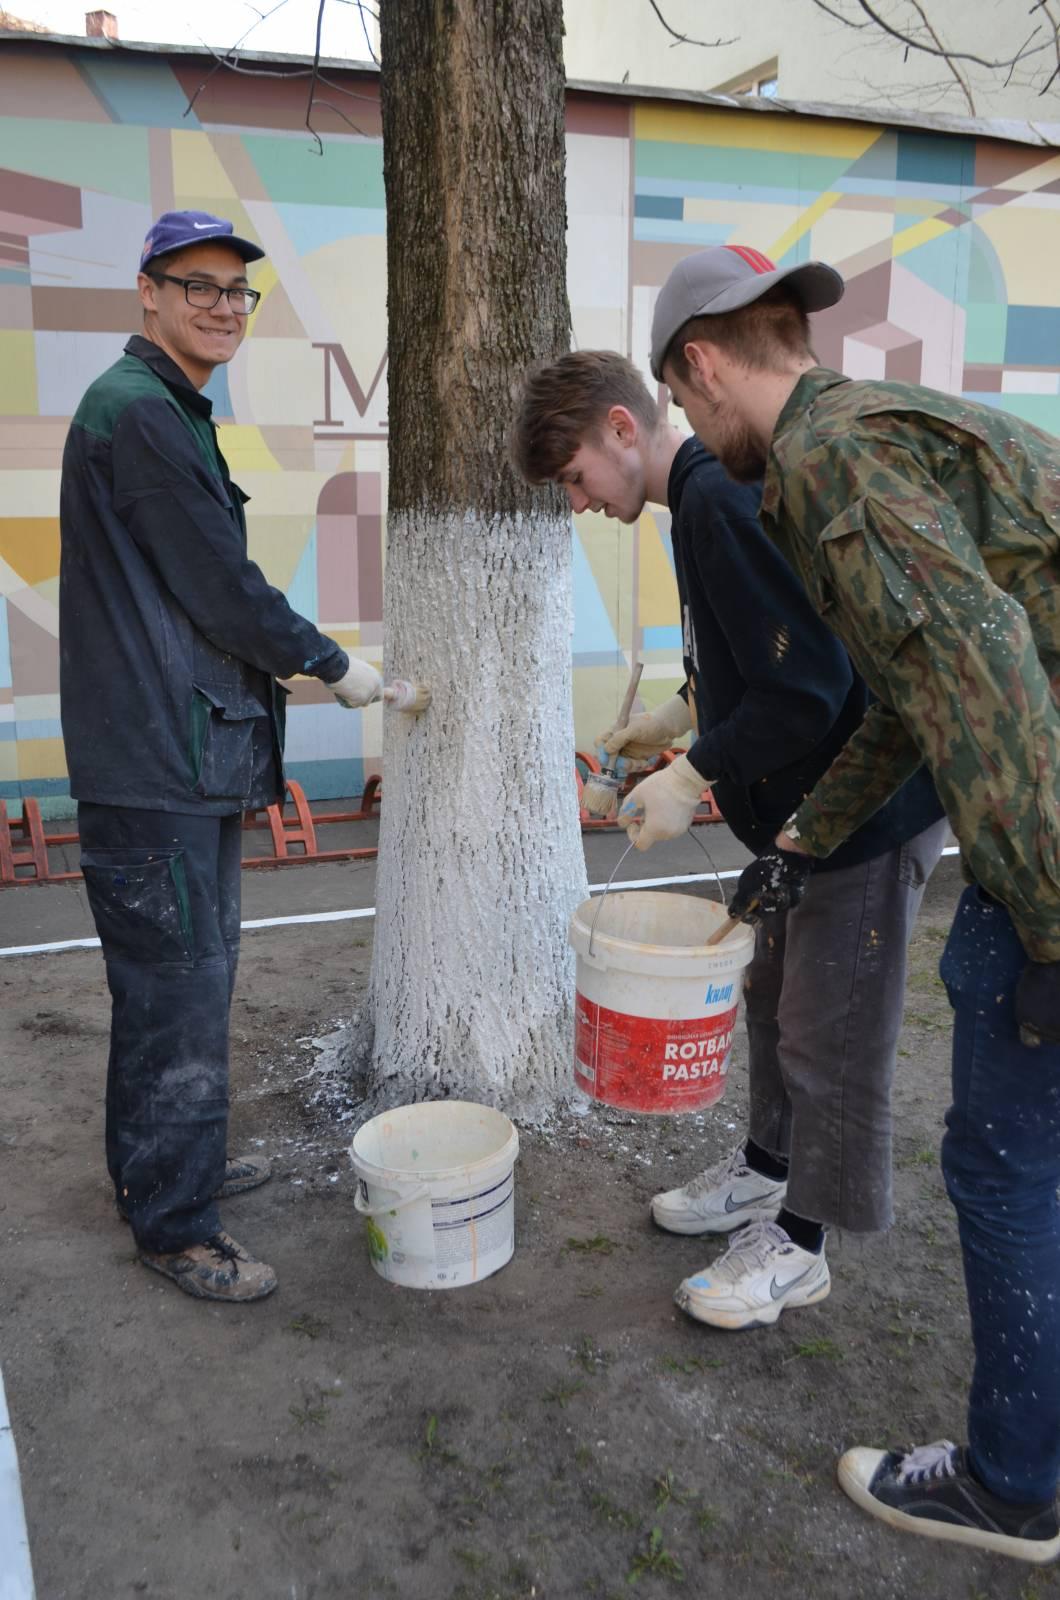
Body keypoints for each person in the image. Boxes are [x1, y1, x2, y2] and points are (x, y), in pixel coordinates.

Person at [647, 240, 1060, 1564]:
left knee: (1002, 1158)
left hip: (1046, 844)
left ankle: (1012, 1487)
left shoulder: (829, 464)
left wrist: (1050, 922)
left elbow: (986, 674)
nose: (693, 438)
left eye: (680, 402)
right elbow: (903, 694)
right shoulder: (867, 430)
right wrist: (798, 841)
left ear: (702, 365)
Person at [511, 350, 946, 1330]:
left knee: (826, 1033)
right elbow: (759, 656)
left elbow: (810, 689)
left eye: (575, 477)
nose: (578, 502)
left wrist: (691, 773)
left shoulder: (712, 497)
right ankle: (764, 1170)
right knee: (768, 996)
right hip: (798, 822)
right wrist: (679, 715)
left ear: (623, 431)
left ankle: (801, 1245)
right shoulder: (698, 501)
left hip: (861, 813)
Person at [59, 211, 381, 1304]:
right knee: (181, 994)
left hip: (170, 752)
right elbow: (216, 584)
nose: (220, 304)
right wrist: (332, 662)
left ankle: (158, 1174)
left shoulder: (159, 410)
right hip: (161, 759)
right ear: (146, 292)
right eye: (195, 284)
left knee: (167, 988)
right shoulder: (141, 415)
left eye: (237, 290)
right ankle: (177, 1228)